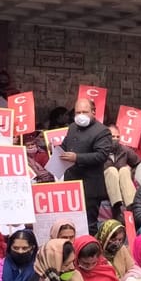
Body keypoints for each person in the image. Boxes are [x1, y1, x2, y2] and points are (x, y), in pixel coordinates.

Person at [60, 98, 112, 235]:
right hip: (71, 184)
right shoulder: (72, 127)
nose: (81, 115)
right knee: (70, 223)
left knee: (89, 225)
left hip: (90, 187)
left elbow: (101, 155)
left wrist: (77, 158)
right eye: (78, 112)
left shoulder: (102, 131)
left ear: (93, 112)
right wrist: (56, 149)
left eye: (84, 112)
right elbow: (65, 146)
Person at [104, 125, 140, 221]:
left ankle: (132, 207)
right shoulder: (100, 150)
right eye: (112, 136)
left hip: (123, 184)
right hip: (104, 184)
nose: (115, 139)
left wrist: (132, 174)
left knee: (124, 170)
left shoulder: (125, 150)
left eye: (117, 136)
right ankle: (116, 208)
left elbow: (138, 164)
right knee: (112, 170)